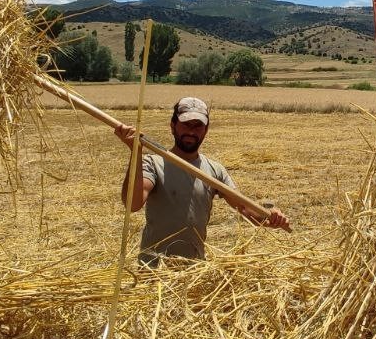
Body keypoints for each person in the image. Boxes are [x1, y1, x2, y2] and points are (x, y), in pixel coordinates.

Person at [115, 96, 290, 266]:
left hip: (194, 271)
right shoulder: (153, 163)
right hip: (154, 269)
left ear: (206, 130)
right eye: (186, 124)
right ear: (172, 126)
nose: (191, 131)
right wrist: (135, 152)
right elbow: (133, 204)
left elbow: (244, 207)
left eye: (198, 126)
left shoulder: (214, 170)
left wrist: (270, 215)